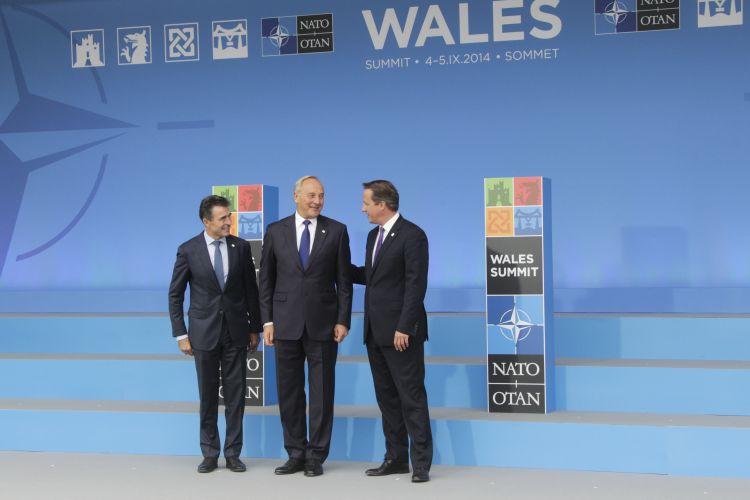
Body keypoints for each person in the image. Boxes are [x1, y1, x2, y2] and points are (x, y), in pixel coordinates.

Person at [259, 175, 352, 477]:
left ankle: (316, 456)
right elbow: (266, 280)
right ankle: (295, 453)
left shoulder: (337, 231)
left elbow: (344, 282)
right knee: (289, 393)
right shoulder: (275, 231)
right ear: (296, 196)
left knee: (322, 394)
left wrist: (343, 319)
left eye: (321, 196)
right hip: (284, 324)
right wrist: (267, 321)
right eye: (312, 195)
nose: (317, 201)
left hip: (323, 325)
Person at [168, 195, 261, 473]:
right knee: (208, 396)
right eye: (223, 218)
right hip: (203, 334)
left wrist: (254, 328)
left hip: (236, 333)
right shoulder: (188, 250)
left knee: (236, 397)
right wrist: (181, 334)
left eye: (229, 216)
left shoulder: (241, 247)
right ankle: (209, 453)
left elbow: (251, 290)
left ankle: (233, 454)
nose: (229, 222)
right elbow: (175, 295)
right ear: (206, 221)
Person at [351, 180, 433, 483]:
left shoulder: (413, 235)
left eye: (366, 203)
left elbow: (415, 284)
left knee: (411, 397)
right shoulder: (373, 236)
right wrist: (337, 267)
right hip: (375, 331)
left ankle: (421, 463)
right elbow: (372, 277)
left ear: (382, 204)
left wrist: (404, 327)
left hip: (401, 334)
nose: (363, 209)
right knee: (387, 399)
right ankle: (395, 458)